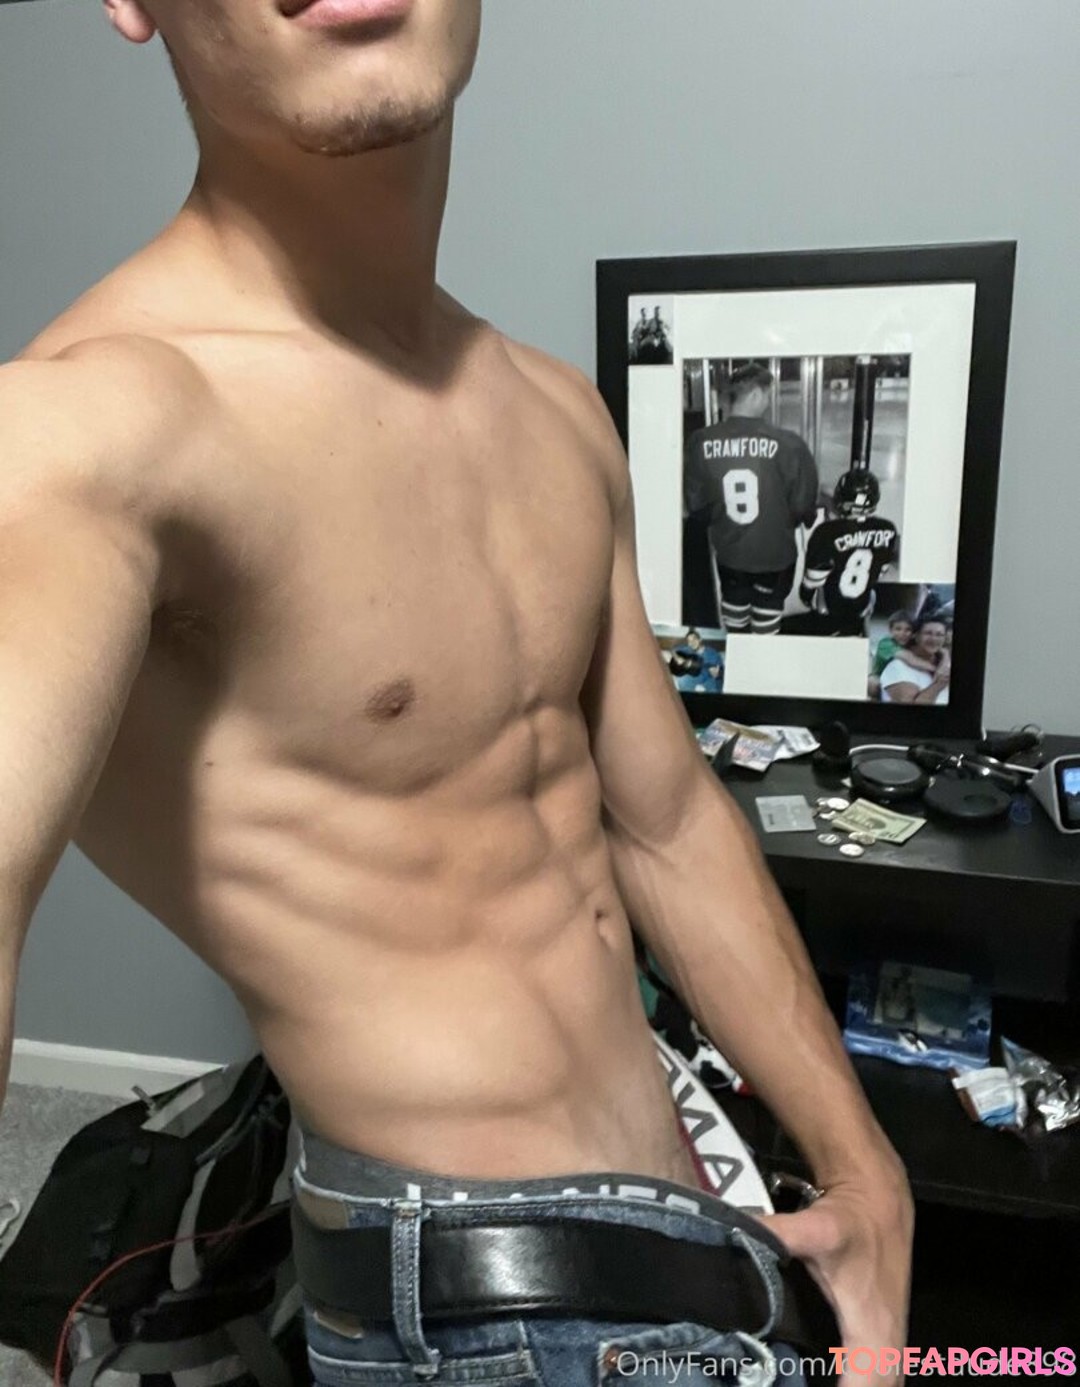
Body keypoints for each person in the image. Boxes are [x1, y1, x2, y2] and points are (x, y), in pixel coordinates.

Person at [0, 2, 911, 1381]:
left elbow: (666, 821)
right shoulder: (86, 433)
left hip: (688, 1214)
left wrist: (866, 1170)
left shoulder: (556, 411)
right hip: (479, 1313)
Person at [685, 365, 820, 636]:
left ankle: (736, 649)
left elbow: (697, 506)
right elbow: (802, 507)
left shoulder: (700, 441)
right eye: (768, 395)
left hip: (729, 554)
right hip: (776, 556)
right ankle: (760, 656)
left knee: (734, 614)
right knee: (766, 623)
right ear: (756, 394)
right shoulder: (790, 444)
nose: (768, 402)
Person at [799, 471, 898, 638]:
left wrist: (806, 595)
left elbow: (814, 576)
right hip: (861, 607)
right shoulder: (888, 528)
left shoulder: (826, 531)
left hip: (829, 610)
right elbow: (882, 569)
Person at [880, 616, 951, 705]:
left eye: (939, 635)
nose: (934, 639)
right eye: (928, 633)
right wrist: (938, 685)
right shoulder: (898, 667)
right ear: (916, 636)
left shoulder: (945, 662)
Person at [671, 628, 724, 694]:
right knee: (682, 680)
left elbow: (722, 672)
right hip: (695, 676)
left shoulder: (712, 653)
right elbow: (673, 650)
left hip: (709, 678)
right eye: (689, 641)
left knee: (714, 690)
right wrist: (677, 658)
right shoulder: (688, 649)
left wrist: (717, 674)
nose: (692, 643)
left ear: (700, 639)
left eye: (694, 639)